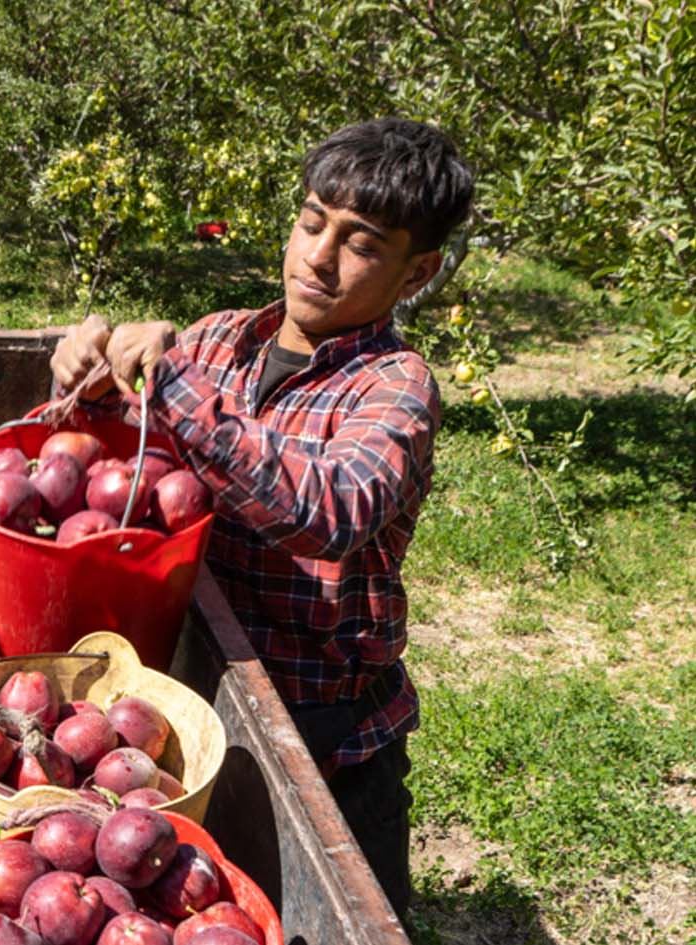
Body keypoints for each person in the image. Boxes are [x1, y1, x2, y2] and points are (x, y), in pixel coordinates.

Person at [50, 117, 475, 919]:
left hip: (329, 735)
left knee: (335, 916)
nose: (318, 255)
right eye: (313, 220)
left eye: (362, 243)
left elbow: (329, 509)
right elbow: (104, 471)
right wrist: (86, 386)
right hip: (195, 686)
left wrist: (170, 386)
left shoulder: (393, 388)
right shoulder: (216, 343)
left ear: (417, 272)